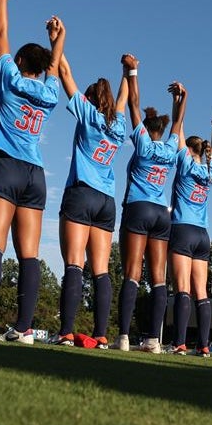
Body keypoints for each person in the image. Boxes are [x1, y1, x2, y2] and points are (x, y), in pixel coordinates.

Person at [0, 2, 64, 343]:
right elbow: (55, 70)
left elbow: (1, 33)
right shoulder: (50, 93)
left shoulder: (10, 79)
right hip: (35, 173)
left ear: (21, 62)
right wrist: (57, 39)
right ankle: (25, 329)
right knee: (30, 254)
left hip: (5, 164)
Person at [48, 53, 130, 348]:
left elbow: (65, 73)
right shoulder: (118, 126)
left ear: (92, 98)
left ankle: (67, 332)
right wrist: (128, 72)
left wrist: (57, 42)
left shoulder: (88, 114)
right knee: (101, 270)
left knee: (73, 264)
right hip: (106, 201)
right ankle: (102, 335)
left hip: (82, 192)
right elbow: (123, 98)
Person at [123, 78, 183, 354]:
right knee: (159, 277)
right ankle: (153, 340)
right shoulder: (171, 148)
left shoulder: (143, 144)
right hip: (162, 212)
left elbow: (133, 104)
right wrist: (181, 99)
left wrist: (132, 73)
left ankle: (123, 336)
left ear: (146, 130)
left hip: (139, 206)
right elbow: (178, 125)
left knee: (132, 272)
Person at [167, 105, 212, 356]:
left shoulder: (186, 163)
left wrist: (178, 103)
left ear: (188, 150)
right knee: (202, 292)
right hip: (202, 234)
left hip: (183, 228)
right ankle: (205, 345)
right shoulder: (210, 171)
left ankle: (179, 342)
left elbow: (177, 129)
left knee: (182, 289)